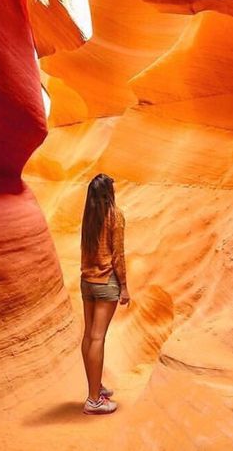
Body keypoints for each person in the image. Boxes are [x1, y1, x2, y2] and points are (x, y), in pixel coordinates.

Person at [80, 172, 130, 414]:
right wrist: (125, 287)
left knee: (89, 335)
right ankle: (93, 400)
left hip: (86, 281)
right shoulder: (115, 216)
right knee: (98, 338)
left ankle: (95, 385)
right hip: (105, 282)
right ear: (107, 193)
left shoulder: (88, 217)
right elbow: (118, 255)